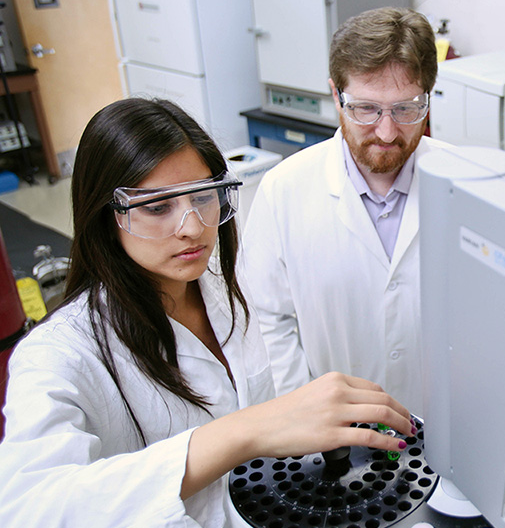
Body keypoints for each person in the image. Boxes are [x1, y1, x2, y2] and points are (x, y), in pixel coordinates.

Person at [0, 98, 414, 527]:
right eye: (159, 207)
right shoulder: (58, 354)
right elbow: (26, 507)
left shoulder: (226, 291)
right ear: (106, 216)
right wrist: (244, 432)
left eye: (204, 196)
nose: (194, 226)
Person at [242, 7, 451, 414]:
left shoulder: (467, 184)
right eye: (366, 109)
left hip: (445, 421)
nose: (387, 132)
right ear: (336, 94)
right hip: (332, 435)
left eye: (406, 109)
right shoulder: (283, 190)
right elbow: (268, 320)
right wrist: (306, 414)